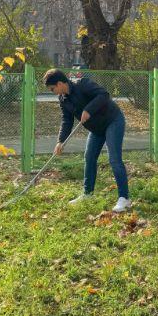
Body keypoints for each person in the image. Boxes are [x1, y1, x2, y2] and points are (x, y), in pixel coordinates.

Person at [44, 69, 132, 213]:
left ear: (59, 83)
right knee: (89, 157)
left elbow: (104, 94)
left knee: (114, 159)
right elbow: (67, 120)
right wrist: (60, 141)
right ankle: (87, 194)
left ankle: (124, 198)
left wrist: (88, 109)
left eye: (52, 88)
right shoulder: (63, 99)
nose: (53, 92)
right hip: (96, 129)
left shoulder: (82, 84)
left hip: (112, 121)